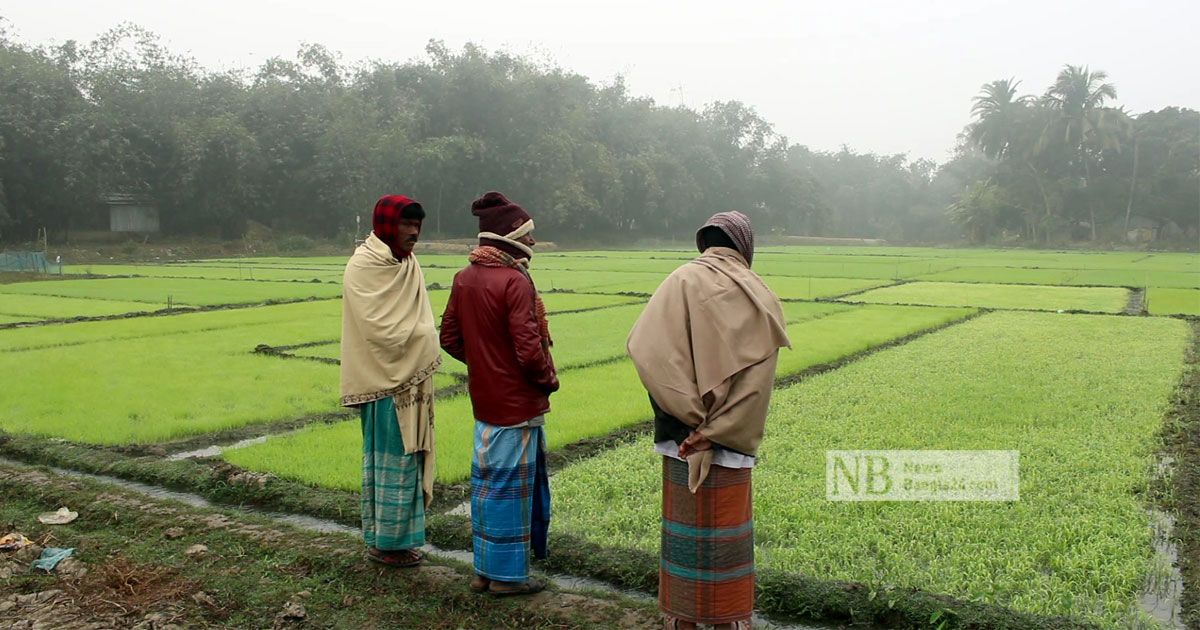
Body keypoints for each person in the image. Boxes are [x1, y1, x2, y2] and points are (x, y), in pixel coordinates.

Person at [627, 211, 790, 630]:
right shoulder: (761, 295)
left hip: (680, 436)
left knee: (685, 536)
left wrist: (691, 420)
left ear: (706, 243)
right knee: (725, 540)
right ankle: (726, 622)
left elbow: (647, 350)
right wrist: (715, 429)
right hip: (730, 441)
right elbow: (757, 384)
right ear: (745, 247)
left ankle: (681, 621)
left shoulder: (680, 281)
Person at [440, 191, 558, 596]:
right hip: (516, 404)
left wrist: (484, 365)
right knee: (513, 491)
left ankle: (483, 571)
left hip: (485, 402)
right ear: (510, 237)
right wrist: (547, 380)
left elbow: (449, 337)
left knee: (487, 487)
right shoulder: (514, 280)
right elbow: (528, 351)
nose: (533, 242)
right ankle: (508, 578)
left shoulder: (464, 277)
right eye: (529, 235)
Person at [340, 194, 440, 568]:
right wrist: (427, 338)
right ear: (386, 225)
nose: (413, 232)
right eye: (405, 224)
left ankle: (400, 542)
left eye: (417, 225)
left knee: (410, 459)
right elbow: (380, 331)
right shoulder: (363, 267)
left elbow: (416, 323)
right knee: (391, 461)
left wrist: (423, 336)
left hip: (412, 383)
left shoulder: (408, 264)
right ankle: (385, 543)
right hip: (384, 383)